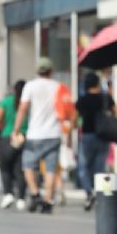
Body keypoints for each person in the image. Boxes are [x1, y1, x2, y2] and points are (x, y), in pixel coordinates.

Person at [13, 58, 73, 214]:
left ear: (37, 71)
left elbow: (23, 109)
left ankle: (34, 193)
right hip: (53, 134)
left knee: (27, 166)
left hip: (35, 135)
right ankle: (48, 201)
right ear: (51, 71)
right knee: (51, 169)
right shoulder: (59, 87)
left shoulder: (30, 86)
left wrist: (16, 129)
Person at [75, 72, 114, 211]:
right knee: (100, 168)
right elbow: (115, 113)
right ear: (97, 83)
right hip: (103, 136)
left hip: (87, 136)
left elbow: (76, 119)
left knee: (84, 167)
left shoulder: (82, 99)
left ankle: (88, 192)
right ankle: (99, 195)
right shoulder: (106, 98)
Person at [0, 80, 27, 210]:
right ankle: (21, 198)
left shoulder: (6, 102)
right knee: (20, 169)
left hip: (7, 138)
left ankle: (8, 193)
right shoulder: (28, 103)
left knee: (5, 168)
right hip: (24, 137)